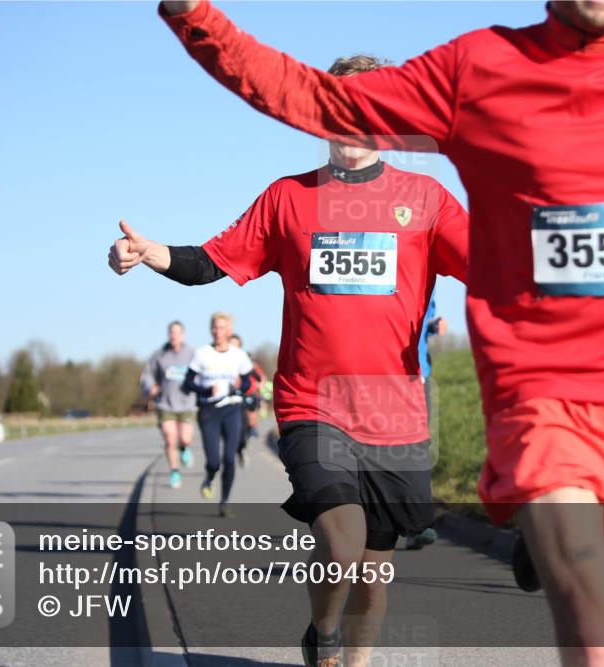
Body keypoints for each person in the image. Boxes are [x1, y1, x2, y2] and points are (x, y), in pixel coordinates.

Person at [155, 1, 604, 664]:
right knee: (596, 631)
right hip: (543, 388)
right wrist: (196, 14)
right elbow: (311, 96)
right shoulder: (479, 68)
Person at [108, 54, 469, 667]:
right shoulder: (288, 199)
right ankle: (323, 632)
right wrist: (151, 253)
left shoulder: (426, 199)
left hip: (396, 412)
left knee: (375, 572)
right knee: (342, 537)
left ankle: (348, 657)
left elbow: (496, 266)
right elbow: (212, 263)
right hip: (313, 403)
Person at [182, 312, 254, 517]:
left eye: (221, 328)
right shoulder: (202, 353)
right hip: (209, 411)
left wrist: (237, 389)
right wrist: (205, 391)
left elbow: (248, 382)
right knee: (214, 461)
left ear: (229, 331)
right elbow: (188, 382)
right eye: (214, 327)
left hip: (231, 409)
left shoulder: (238, 355)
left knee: (229, 458)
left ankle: (224, 502)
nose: (217, 331)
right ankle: (209, 476)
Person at [405, 289, 446, 551]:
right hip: (379, 374)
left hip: (418, 375)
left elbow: (422, 321)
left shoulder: (429, 278)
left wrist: (433, 325)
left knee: (419, 447)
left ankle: (417, 524)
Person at [140, 320, 197, 489]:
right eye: (171, 332)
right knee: (170, 438)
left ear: (183, 335)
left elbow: (203, 371)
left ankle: (185, 448)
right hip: (165, 403)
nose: (174, 335)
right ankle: (174, 472)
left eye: (177, 332)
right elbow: (147, 375)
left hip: (187, 403)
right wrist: (150, 387)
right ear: (168, 335)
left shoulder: (192, 353)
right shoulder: (159, 355)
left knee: (185, 438)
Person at [229, 333, 265, 467]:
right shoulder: (219, 359)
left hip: (244, 396)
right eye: (230, 344)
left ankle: (242, 445)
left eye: (235, 345)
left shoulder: (244, 360)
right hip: (226, 399)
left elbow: (258, 376)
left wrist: (257, 383)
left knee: (245, 423)